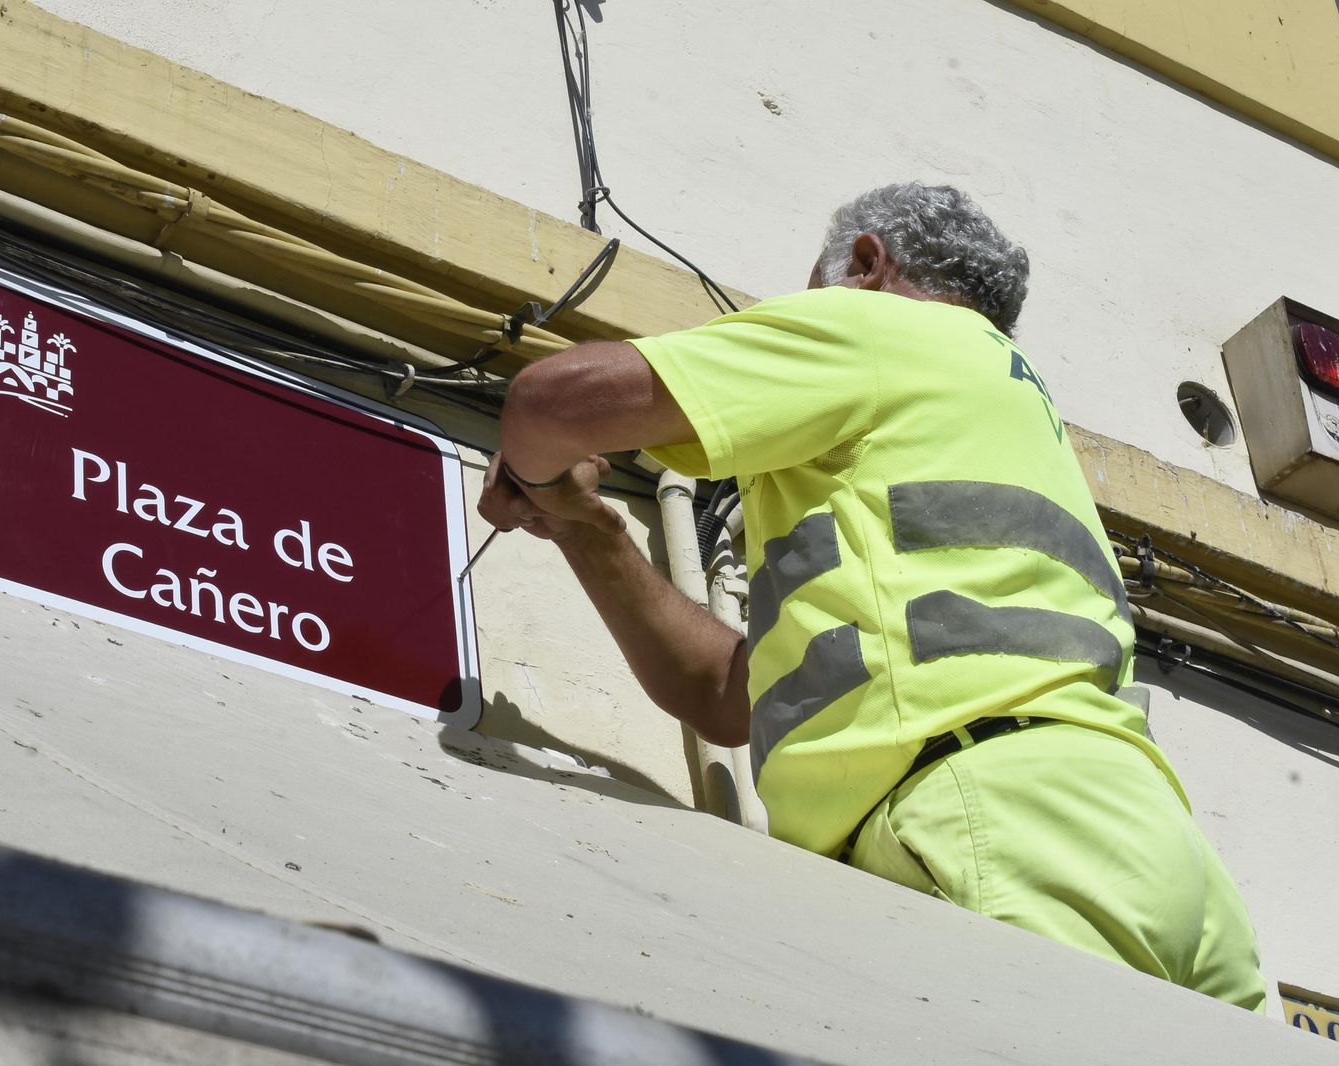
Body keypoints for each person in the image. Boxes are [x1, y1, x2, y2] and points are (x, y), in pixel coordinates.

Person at [477, 182, 1265, 1010]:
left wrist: (530, 479)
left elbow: (548, 404)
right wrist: (582, 526)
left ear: (864, 264)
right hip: (1163, 859)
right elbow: (724, 697)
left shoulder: (880, 325)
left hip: (992, 827)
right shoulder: (1010, 409)